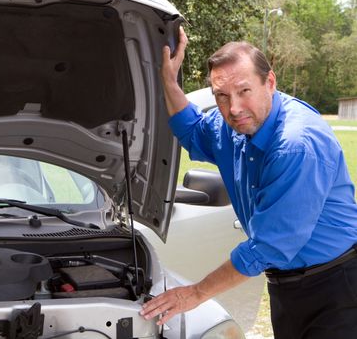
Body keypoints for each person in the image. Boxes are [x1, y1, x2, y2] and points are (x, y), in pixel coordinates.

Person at [140, 26, 357, 338]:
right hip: (287, 286)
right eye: (222, 96)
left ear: (269, 82)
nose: (234, 108)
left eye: (244, 91)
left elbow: (269, 245)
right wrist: (168, 81)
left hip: (336, 288)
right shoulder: (232, 126)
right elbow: (192, 131)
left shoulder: (296, 145)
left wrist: (196, 293)